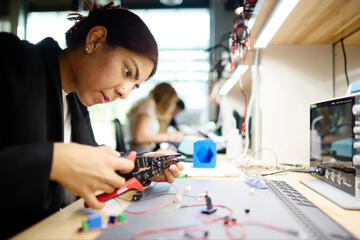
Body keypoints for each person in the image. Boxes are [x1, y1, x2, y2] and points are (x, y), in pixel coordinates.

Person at [0, 1, 183, 238]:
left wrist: (141, 167)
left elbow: (90, 160)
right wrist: (52, 162)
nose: (125, 92)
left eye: (134, 87)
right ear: (95, 40)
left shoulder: (74, 103)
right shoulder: (11, 59)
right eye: (127, 71)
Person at [128, 82, 184, 154]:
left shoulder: (150, 105)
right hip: (141, 152)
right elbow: (140, 137)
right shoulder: (148, 103)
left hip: (144, 150)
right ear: (166, 99)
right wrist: (170, 137)